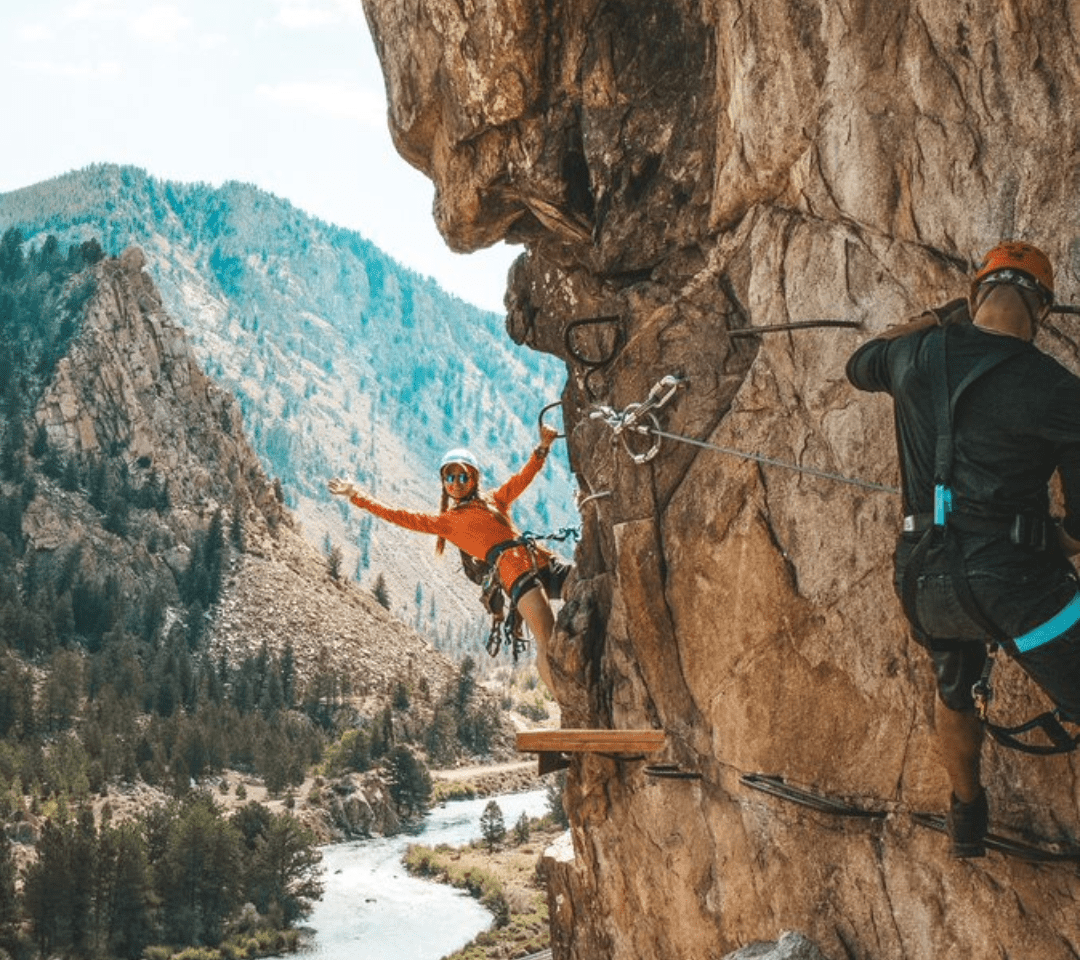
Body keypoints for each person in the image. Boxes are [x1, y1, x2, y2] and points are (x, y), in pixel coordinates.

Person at [846, 241, 1080, 858]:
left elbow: (859, 361)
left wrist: (935, 317)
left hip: (925, 584)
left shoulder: (911, 357)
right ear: (1044, 311)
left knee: (956, 685)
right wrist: (1054, 541)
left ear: (975, 295)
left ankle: (967, 814)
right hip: (1016, 588)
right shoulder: (1058, 389)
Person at [328, 424, 571, 689]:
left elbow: (523, 478)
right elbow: (398, 515)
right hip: (516, 575)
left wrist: (543, 446)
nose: (456, 483)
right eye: (450, 478)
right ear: (444, 483)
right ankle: (567, 708)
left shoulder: (495, 501)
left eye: (462, 477)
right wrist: (357, 496)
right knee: (547, 638)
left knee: (586, 583)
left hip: (541, 562)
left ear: (474, 479)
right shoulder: (446, 522)